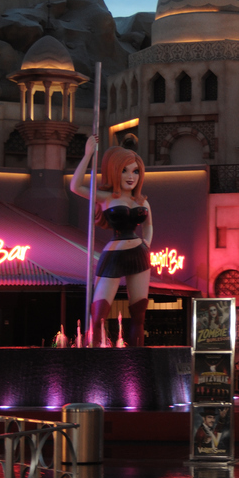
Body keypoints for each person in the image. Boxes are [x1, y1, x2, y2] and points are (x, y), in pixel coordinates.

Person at [71, 136, 152, 347]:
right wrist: (88, 155)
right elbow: (75, 186)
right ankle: (95, 355)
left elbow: (148, 225)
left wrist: (147, 243)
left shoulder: (142, 202)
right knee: (99, 312)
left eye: (135, 171)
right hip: (114, 254)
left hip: (139, 254)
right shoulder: (106, 197)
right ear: (115, 171)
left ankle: (137, 359)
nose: (131, 176)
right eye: (124, 170)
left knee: (139, 313)